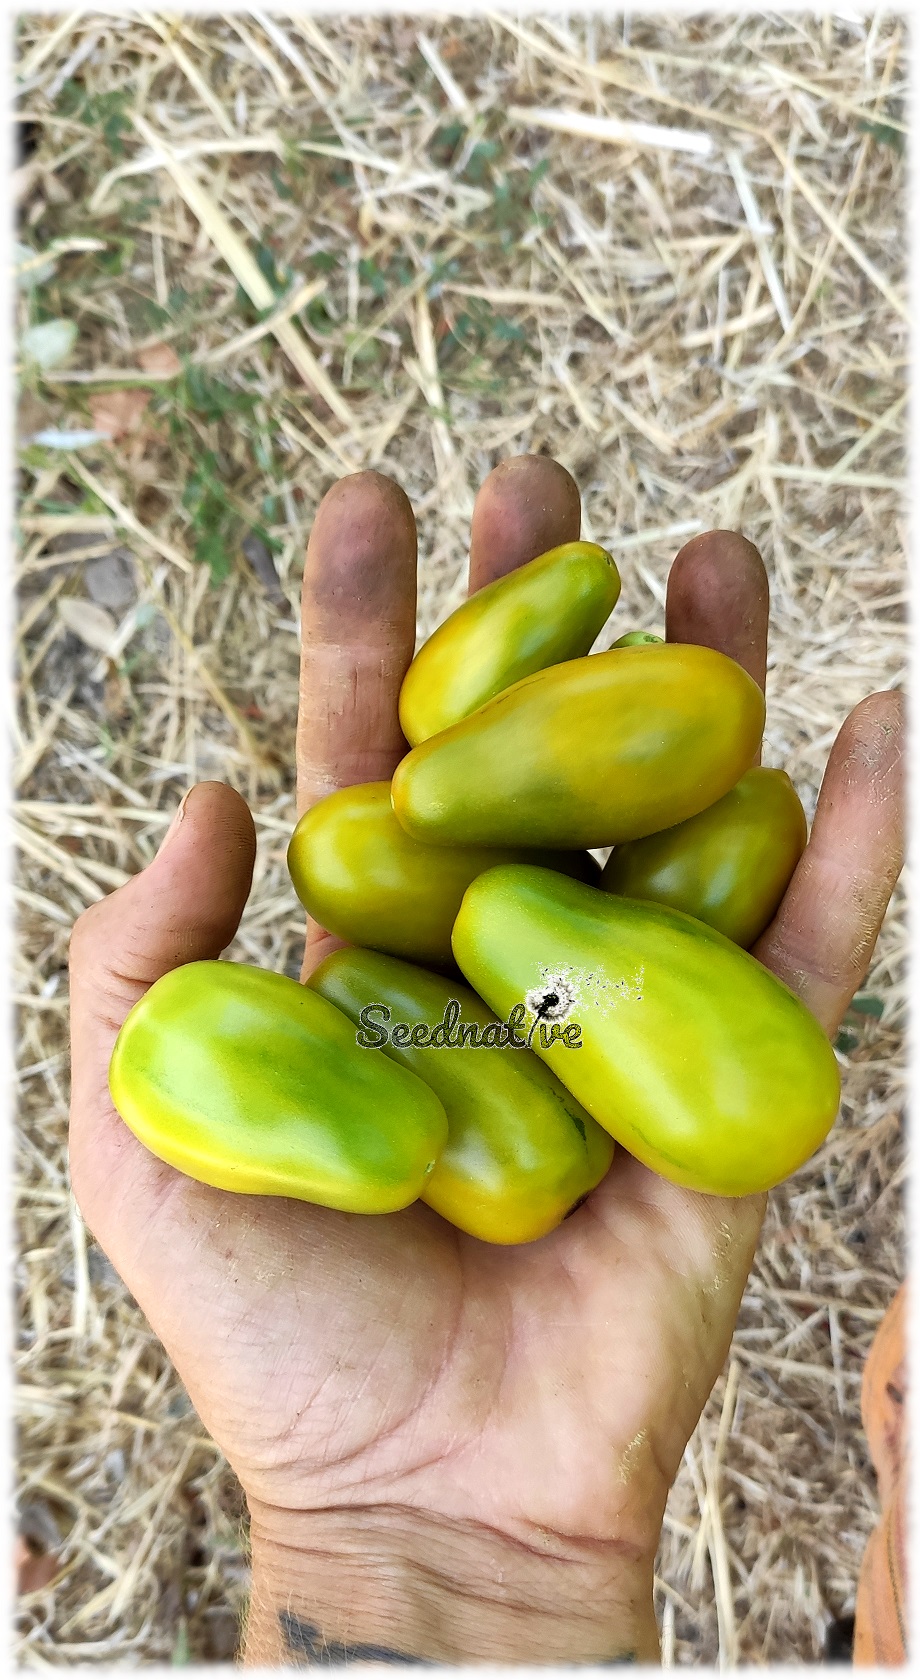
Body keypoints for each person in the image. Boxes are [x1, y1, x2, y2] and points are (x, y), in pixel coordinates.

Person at [68, 457, 905, 1665]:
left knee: (475, 917)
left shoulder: (464, 924)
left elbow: (540, 978)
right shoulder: (447, 952)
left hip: (534, 997)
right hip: (554, 1005)